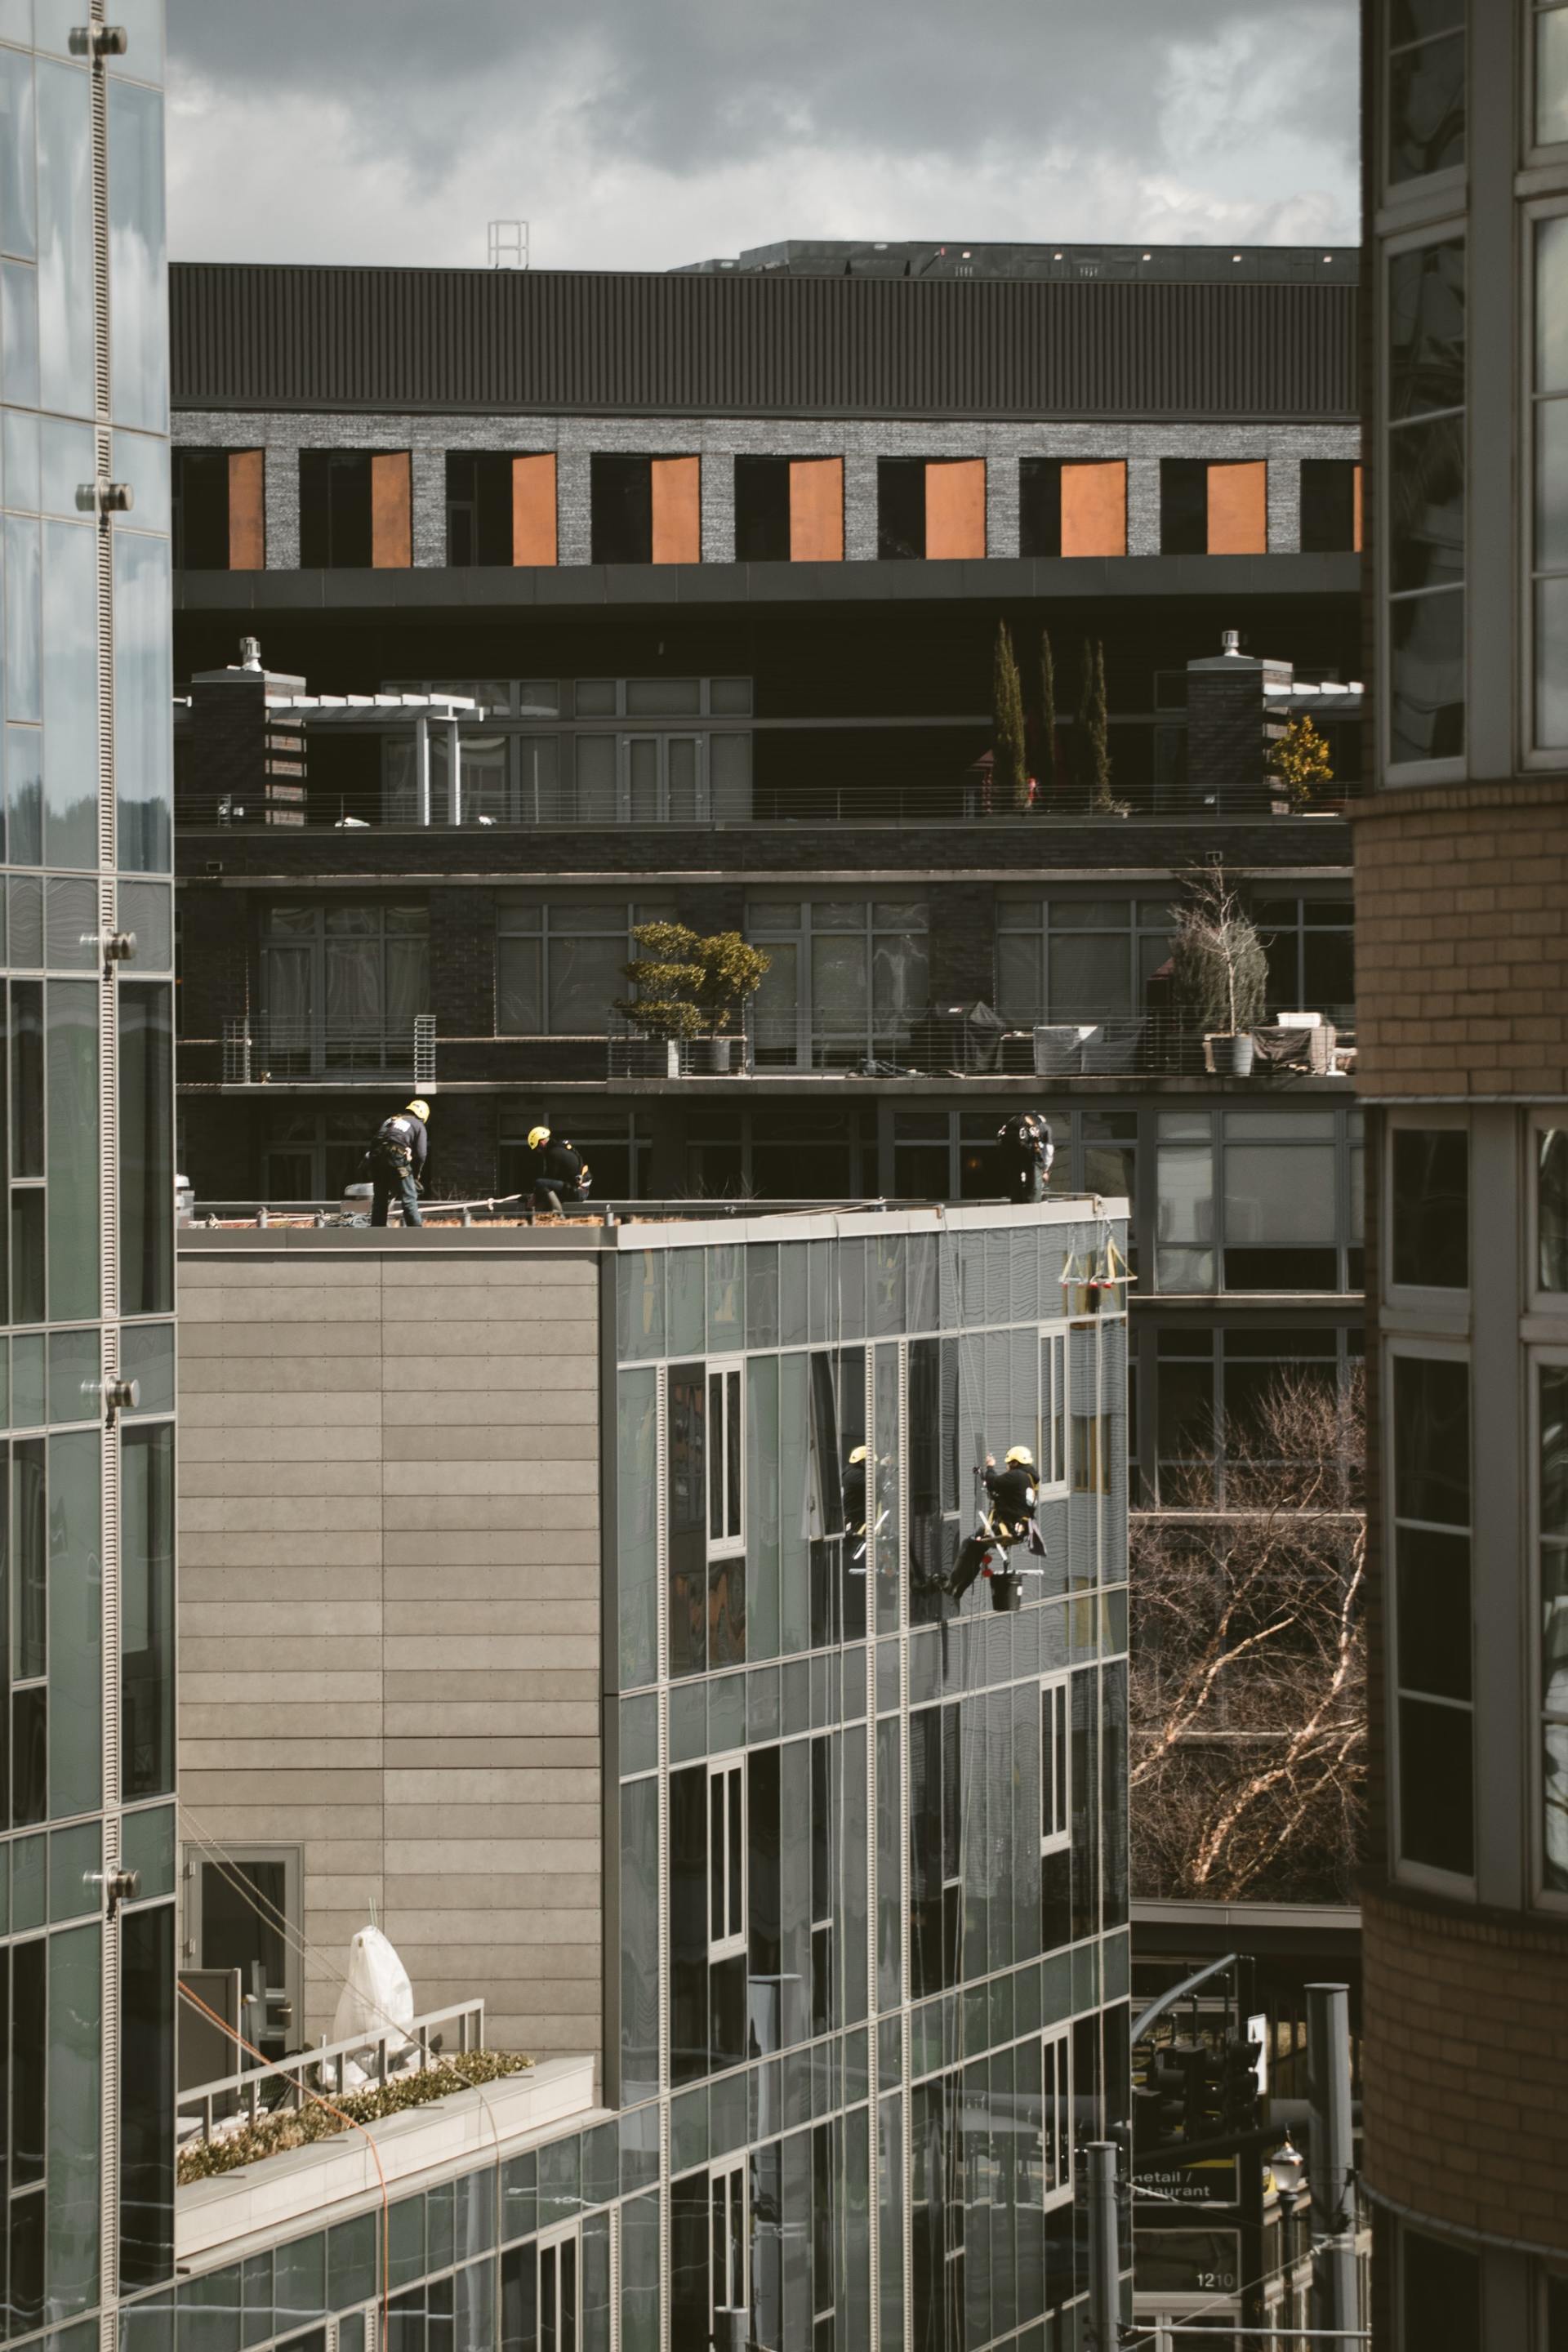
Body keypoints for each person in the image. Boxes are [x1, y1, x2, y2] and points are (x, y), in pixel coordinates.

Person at [943, 1446, 1038, 1601]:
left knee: (969, 1544)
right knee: (977, 1550)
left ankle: (952, 1584)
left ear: (1014, 1463)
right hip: (1020, 1530)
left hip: (1006, 1528)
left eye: (1008, 1464)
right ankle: (958, 1590)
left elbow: (994, 1482)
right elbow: (1008, 1497)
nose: (1007, 1467)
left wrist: (990, 1466)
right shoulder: (1030, 1479)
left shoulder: (1017, 1476)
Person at [365, 1098, 430, 1228]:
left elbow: (375, 1142)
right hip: (397, 1157)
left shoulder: (390, 1120)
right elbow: (421, 1154)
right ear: (423, 1116)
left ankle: (377, 1232)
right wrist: (415, 1175)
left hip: (377, 1158)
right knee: (409, 1198)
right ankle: (417, 1233)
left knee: (380, 1200)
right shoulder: (418, 1124)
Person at [530, 1123, 590, 1215]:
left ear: (542, 1143)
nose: (538, 1152)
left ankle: (558, 1214)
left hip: (577, 1193)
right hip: (581, 1189)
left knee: (539, 1183)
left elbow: (549, 1178)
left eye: (537, 1148)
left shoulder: (553, 1154)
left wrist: (535, 1194)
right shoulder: (562, 1146)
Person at [997, 1111, 1054, 1204]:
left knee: (1015, 1185)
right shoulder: (1044, 1127)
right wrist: (1045, 1169)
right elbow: (1049, 1150)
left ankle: (1016, 1207)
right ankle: (1032, 1210)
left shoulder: (1011, 1124)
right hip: (1031, 1156)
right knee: (1034, 1187)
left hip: (1012, 1155)